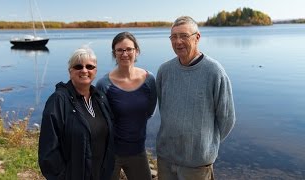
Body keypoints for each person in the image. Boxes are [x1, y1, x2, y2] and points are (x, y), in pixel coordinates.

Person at [156, 16, 236, 180]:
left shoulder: (214, 72)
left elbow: (227, 118)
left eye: (184, 36)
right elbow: (163, 107)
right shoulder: (164, 71)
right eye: (174, 37)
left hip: (197, 163)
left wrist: (206, 144)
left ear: (197, 37)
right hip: (165, 158)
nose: (178, 42)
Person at [38, 47, 114, 180]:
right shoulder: (58, 100)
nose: (84, 70)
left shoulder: (100, 98)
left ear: (95, 71)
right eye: (78, 66)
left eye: (90, 66)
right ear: (70, 71)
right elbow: (48, 150)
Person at [96, 31, 157, 180]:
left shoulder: (149, 80)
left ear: (136, 51)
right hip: (111, 153)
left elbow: (149, 111)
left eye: (129, 49)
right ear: (114, 53)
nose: (125, 53)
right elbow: (101, 121)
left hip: (138, 151)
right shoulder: (104, 84)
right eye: (120, 50)